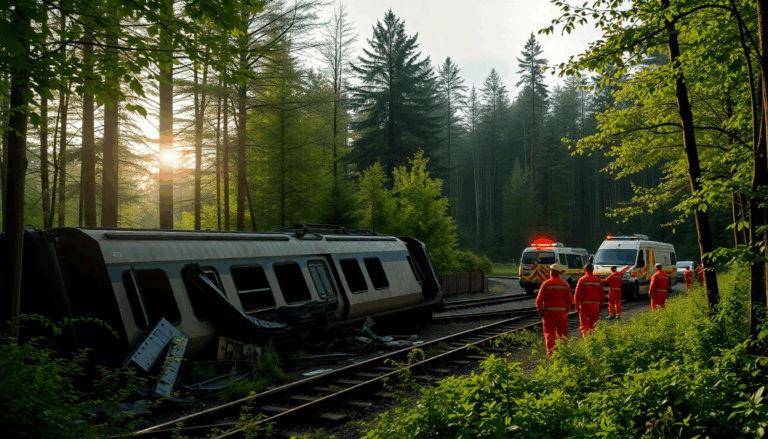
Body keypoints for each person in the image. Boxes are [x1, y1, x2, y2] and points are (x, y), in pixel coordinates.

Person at [535, 263, 574, 357]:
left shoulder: (546, 284)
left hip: (548, 313)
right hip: (561, 313)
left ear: (551, 272)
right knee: (562, 335)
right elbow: (570, 300)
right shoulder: (565, 284)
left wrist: (540, 311)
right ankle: (563, 355)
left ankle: (551, 357)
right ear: (559, 273)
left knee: (549, 334)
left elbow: (539, 300)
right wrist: (566, 311)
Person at [574, 263, 605, 336]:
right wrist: (601, 305)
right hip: (595, 307)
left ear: (585, 270)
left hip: (585, 306)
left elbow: (577, 295)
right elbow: (602, 295)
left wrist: (577, 306)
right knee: (594, 325)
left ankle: (587, 340)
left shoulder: (582, 280)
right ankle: (593, 341)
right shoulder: (598, 281)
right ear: (593, 270)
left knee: (584, 325)